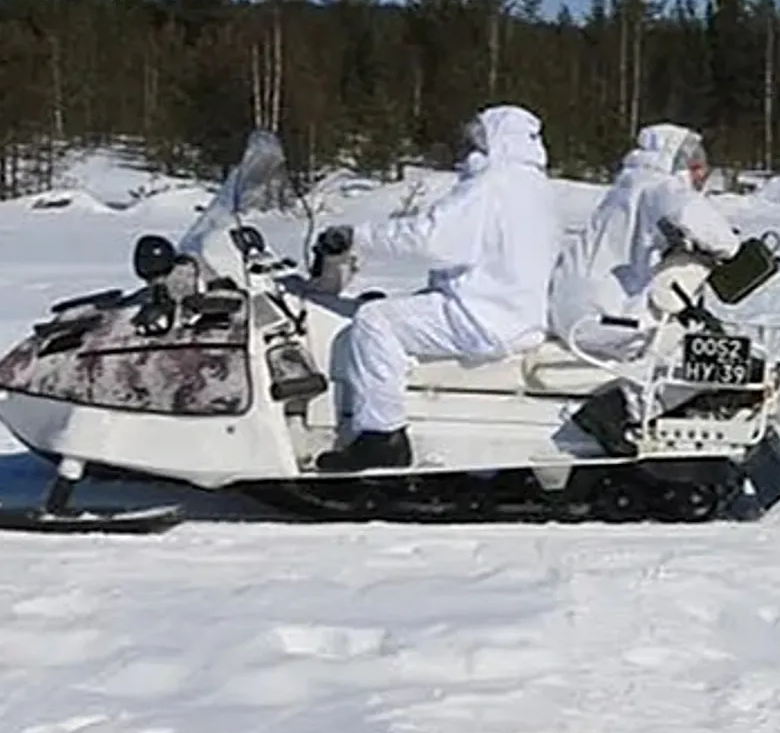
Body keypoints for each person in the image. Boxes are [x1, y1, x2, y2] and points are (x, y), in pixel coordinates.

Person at [310, 104, 561, 472]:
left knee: (375, 320)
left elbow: (432, 239)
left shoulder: (491, 185)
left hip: (481, 315)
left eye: (477, 138)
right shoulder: (535, 187)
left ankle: (381, 438)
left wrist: (357, 238)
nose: (469, 147)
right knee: (392, 311)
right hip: (516, 314)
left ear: (496, 140)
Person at [546, 123, 742, 356]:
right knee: (686, 277)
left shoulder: (627, 185)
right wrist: (732, 248)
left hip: (567, 314)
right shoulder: (661, 187)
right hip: (609, 319)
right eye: (696, 167)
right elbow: (707, 228)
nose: (701, 175)